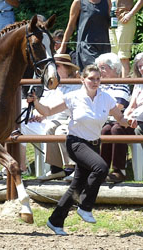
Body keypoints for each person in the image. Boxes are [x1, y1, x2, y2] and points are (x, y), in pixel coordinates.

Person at [31, 65, 134, 235]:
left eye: (98, 79)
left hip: (94, 144)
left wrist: (129, 122)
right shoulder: (73, 97)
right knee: (101, 168)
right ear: (82, 80)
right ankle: (85, 206)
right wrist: (35, 101)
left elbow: (120, 118)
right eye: (91, 79)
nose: (95, 82)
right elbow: (48, 111)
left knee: (76, 187)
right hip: (76, 143)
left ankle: (55, 221)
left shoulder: (106, 98)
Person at [19, 54, 81, 182]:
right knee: (19, 126)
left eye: (57, 66)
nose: (53, 69)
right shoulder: (51, 86)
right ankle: (19, 167)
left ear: (67, 68)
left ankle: (67, 168)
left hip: (64, 121)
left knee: (54, 128)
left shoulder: (75, 86)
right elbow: (45, 108)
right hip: (47, 120)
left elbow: (64, 110)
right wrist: (37, 111)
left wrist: (43, 113)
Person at [96, 52, 132, 182]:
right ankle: (103, 169)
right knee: (106, 130)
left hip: (123, 123)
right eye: (99, 68)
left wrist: (101, 109)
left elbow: (118, 107)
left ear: (115, 69)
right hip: (106, 122)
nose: (100, 71)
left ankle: (119, 170)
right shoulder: (100, 86)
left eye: (103, 68)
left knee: (116, 129)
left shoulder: (121, 84)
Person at [57, 0, 111, 71]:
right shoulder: (79, 2)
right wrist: (63, 46)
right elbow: (71, 26)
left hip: (104, 46)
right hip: (86, 48)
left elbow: (111, 22)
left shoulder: (107, 2)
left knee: (105, 75)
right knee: (92, 73)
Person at [109, 0, 143, 77]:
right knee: (113, 56)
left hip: (125, 19)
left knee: (123, 56)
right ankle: (115, 85)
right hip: (111, 20)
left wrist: (131, 14)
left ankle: (125, 85)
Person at [125, 52, 143, 149]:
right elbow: (132, 106)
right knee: (113, 129)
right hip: (137, 119)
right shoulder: (138, 83)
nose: (142, 69)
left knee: (139, 130)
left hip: (140, 120)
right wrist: (124, 118)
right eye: (140, 66)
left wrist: (135, 116)